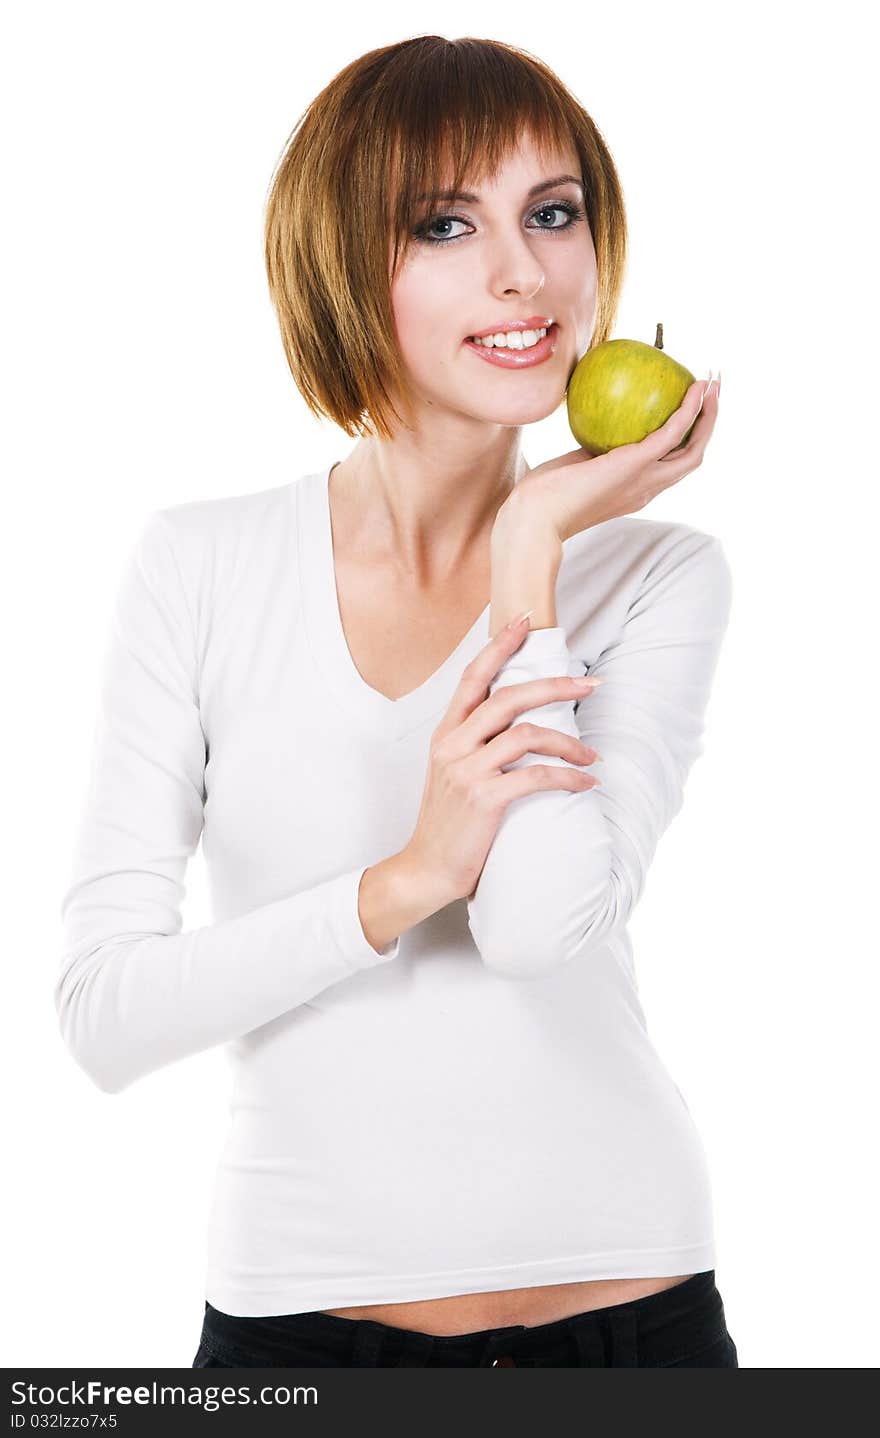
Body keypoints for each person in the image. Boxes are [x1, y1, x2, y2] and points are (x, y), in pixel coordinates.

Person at [55, 35, 738, 1368]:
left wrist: (532, 540)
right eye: (444, 222)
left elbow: (541, 924)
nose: (523, 273)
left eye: (554, 211)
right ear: (340, 263)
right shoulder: (200, 565)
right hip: (300, 1331)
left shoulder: (660, 576)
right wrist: (407, 878)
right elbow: (107, 1013)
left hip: (633, 1315)